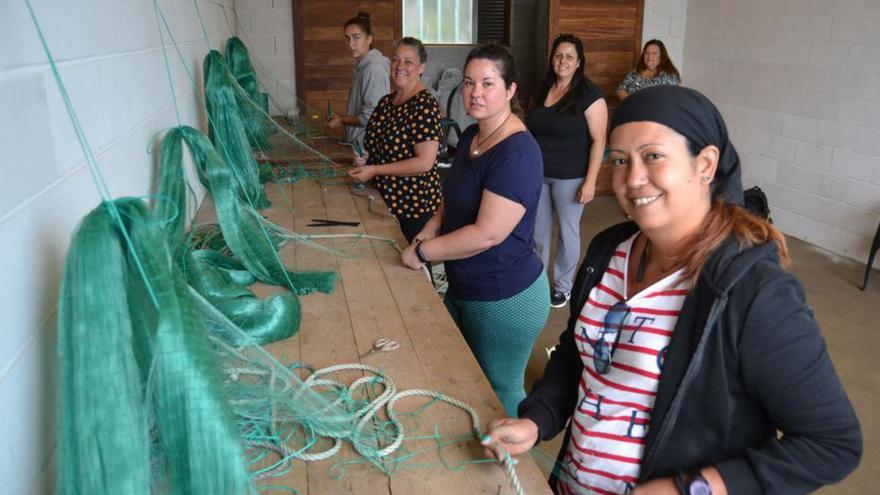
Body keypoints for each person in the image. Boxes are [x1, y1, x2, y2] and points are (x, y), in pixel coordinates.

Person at [482, 86, 862, 495]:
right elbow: (580, 355)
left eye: (653, 156)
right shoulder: (608, 250)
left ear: (706, 164)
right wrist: (536, 419)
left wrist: (688, 489)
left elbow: (832, 443)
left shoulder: (752, 290)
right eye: (621, 160)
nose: (633, 179)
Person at [400, 44, 550, 416]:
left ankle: (515, 468)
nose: (475, 92)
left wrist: (422, 253)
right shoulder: (471, 137)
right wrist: (429, 229)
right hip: (467, 286)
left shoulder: (518, 153)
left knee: (500, 390)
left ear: (511, 90)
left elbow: (487, 234)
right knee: (460, 373)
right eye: (469, 83)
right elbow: (452, 198)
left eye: (488, 83)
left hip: (505, 296)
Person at [527, 34, 607, 309]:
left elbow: (599, 140)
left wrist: (591, 181)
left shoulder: (589, 94)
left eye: (569, 57)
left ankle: (563, 287)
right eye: (558, 55)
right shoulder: (542, 89)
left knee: (567, 233)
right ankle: (537, 282)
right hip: (538, 173)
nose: (562, 61)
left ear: (578, 63)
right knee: (538, 233)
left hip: (571, 177)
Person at [348, 37, 443, 243]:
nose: (400, 67)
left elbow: (424, 163)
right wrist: (365, 159)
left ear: (421, 68)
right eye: (396, 60)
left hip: (413, 209)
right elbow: (375, 149)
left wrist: (374, 170)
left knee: (411, 269)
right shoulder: (385, 103)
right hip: (382, 202)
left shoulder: (424, 106)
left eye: (408, 62)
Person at [328, 12, 390, 150]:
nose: (350, 44)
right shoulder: (363, 65)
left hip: (368, 148)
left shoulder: (373, 69)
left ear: (369, 39)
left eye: (356, 38)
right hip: (360, 144)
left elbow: (371, 116)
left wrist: (342, 120)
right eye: (347, 38)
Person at [615, 40, 680, 102]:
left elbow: (669, 101)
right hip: (630, 109)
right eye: (646, 53)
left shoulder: (669, 76)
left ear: (662, 56)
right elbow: (620, 89)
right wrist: (631, 103)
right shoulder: (636, 72)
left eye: (654, 53)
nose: (649, 57)